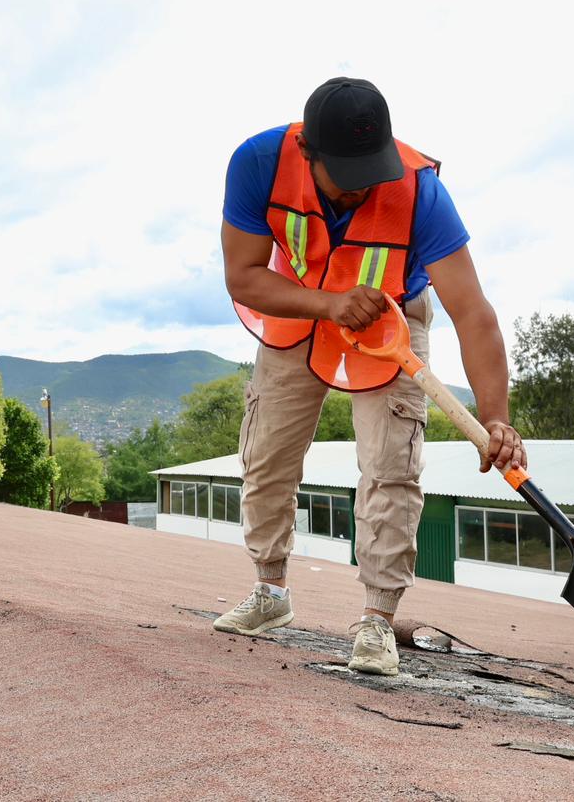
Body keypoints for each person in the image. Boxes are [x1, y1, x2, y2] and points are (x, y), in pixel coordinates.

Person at [214, 77, 525, 675]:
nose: (362, 188)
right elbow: (244, 277)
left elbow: (474, 314)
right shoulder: (258, 162)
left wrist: (495, 417)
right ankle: (270, 593)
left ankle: (378, 621)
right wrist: (327, 304)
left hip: (390, 323)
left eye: (371, 171)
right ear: (309, 151)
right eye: (347, 175)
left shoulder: (422, 193)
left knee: (390, 467)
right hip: (301, 305)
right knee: (267, 455)